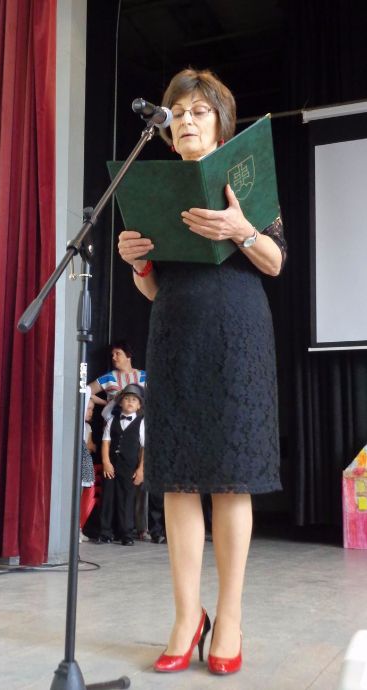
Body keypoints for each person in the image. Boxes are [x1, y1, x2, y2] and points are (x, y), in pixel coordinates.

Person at [117, 67, 287, 676]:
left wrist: (242, 230)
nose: (187, 120)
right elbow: (154, 288)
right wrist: (137, 263)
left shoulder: (247, 179)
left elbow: (275, 262)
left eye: (199, 111)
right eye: (179, 112)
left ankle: (230, 618)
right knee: (179, 479)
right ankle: (187, 616)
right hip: (176, 334)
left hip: (238, 334)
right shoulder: (157, 188)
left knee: (232, 479)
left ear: (221, 122)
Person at [99, 383, 145, 545]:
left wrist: (141, 469)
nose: (130, 402)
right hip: (112, 465)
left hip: (129, 467)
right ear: (120, 403)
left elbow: (144, 448)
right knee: (108, 497)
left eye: (134, 400)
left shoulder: (142, 423)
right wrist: (106, 462)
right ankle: (105, 531)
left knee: (127, 498)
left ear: (139, 405)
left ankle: (126, 533)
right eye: (127, 399)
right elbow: (106, 442)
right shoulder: (112, 420)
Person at [88, 341, 146, 420]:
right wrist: (107, 403)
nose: (113, 357)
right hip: (113, 423)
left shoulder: (144, 376)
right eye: (112, 355)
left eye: (117, 354)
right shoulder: (109, 377)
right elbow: (85, 391)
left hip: (141, 423)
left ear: (128, 355)